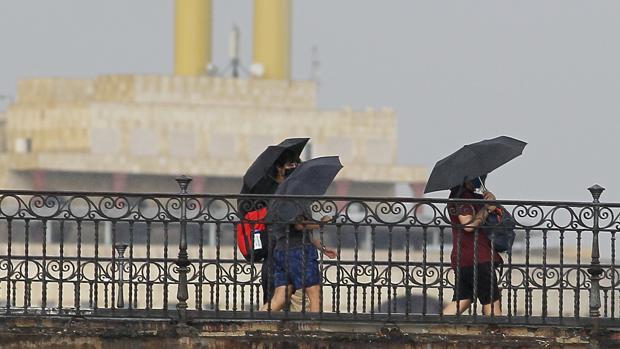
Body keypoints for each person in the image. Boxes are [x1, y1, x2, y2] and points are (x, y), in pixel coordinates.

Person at [442, 176, 503, 316]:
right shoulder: (463, 198)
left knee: (463, 298)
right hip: (478, 256)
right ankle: (496, 334)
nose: (481, 178)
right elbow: (468, 225)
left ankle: (434, 326)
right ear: (467, 179)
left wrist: (490, 200)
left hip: (463, 256)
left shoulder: (464, 197)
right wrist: (487, 209)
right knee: (491, 301)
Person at [260, 213, 337, 312]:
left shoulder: (276, 202)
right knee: (315, 294)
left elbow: (295, 230)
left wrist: (322, 247)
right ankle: (314, 326)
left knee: (280, 297)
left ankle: (256, 322)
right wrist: (323, 222)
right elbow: (299, 224)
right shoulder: (294, 200)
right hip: (299, 252)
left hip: (281, 250)